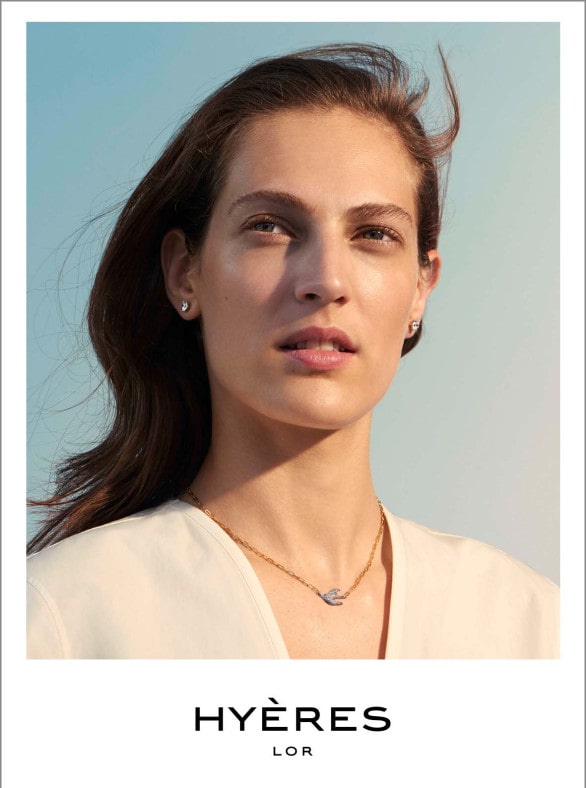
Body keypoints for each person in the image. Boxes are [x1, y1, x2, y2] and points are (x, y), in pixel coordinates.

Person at [26, 43, 559, 659]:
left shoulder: (534, 628)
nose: (325, 280)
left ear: (421, 287)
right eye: (270, 226)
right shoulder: (59, 619)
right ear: (184, 273)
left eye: (373, 234)